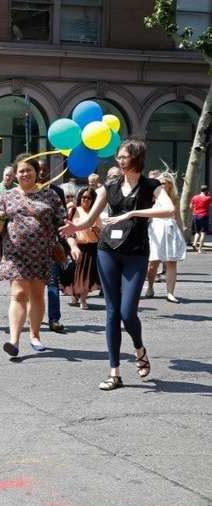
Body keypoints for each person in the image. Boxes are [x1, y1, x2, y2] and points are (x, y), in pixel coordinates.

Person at [60, 139, 176, 391]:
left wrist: (133, 213)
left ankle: (139, 347)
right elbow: (89, 219)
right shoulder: (108, 187)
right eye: (118, 158)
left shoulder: (151, 186)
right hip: (107, 251)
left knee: (127, 311)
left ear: (136, 158)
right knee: (112, 312)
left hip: (136, 253)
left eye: (124, 157)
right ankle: (115, 373)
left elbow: (169, 209)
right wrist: (74, 228)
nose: (119, 161)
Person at [0, 154, 77, 357]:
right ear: (15, 175)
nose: (25, 174)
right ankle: (14, 340)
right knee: (19, 295)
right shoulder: (7, 196)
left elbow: (62, 223)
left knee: (37, 295)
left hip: (42, 254)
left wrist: (72, 243)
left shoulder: (50, 195)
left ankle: (35, 335)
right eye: (21, 170)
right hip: (16, 254)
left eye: (29, 170)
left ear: (36, 172)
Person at [144, 171, 186, 302]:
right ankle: (150, 286)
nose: (161, 185)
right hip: (156, 230)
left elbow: (178, 217)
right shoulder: (152, 197)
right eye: (160, 183)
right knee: (153, 263)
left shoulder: (174, 198)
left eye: (164, 183)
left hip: (171, 229)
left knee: (171, 262)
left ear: (170, 184)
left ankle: (170, 292)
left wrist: (182, 234)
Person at [38, 158, 68, 333]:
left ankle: (54, 319)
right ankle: (31, 314)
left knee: (52, 282)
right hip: (31, 245)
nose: (42, 173)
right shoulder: (29, 191)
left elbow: (62, 218)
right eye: (39, 170)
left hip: (51, 244)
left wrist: (65, 241)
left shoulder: (57, 191)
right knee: (32, 284)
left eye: (45, 169)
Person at [63, 187, 101, 310]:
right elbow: (67, 227)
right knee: (74, 274)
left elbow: (101, 233)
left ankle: (83, 298)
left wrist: (95, 229)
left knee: (86, 275)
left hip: (91, 247)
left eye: (89, 198)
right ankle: (74, 294)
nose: (85, 200)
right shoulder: (74, 210)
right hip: (76, 246)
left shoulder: (95, 214)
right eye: (83, 197)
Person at [191, 184, 211, 253]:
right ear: (207, 191)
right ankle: (200, 249)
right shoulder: (208, 198)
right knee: (203, 233)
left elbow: (191, 206)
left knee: (197, 232)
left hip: (195, 215)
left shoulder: (195, 197)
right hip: (204, 216)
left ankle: (194, 243)